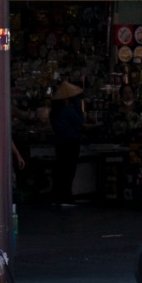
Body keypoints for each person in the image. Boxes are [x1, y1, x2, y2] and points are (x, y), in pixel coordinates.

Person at [46, 79, 87, 209]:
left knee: (61, 170)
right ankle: (66, 196)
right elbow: (80, 120)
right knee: (68, 171)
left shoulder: (56, 111)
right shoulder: (68, 109)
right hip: (70, 142)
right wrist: (77, 104)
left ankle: (58, 196)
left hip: (61, 142)